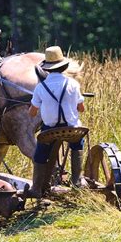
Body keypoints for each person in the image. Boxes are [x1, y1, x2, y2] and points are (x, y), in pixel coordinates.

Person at [28, 46, 87, 198]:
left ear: (47, 69)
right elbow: (81, 109)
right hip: (72, 129)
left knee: (40, 155)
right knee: (77, 144)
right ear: (63, 66)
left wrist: (37, 106)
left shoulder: (41, 87)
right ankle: (76, 181)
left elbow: (32, 113)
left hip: (50, 131)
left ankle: (36, 188)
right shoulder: (73, 84)